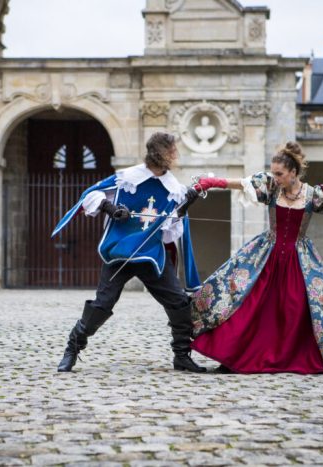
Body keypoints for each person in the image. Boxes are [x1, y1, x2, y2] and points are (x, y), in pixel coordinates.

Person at [188, 141, 323, 374]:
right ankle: (235, 355)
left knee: (296, 308)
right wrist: (214, 182)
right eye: (273, 172)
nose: (275, 177)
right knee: (249, 303)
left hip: (299, 260)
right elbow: (242, 183)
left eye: (280, 174)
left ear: (293, 173)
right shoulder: (271, 187)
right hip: (267, 255)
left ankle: (294, 358)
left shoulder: (312, 194)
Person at [51, 132, 206, 373]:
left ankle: (181, 356)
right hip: (119, 252)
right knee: (102, 305)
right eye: (173, 151)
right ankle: (72, 348)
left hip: (151, 255)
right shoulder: (128, 178)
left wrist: (184, 207)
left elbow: (168, 232)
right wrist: (110, 208)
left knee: (179, 302)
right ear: (162, 154)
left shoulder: (174, 188)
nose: (176, 155)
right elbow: (91, 195)